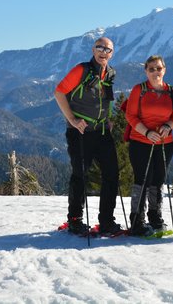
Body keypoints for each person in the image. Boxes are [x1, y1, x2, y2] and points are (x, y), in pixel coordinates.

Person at [54, 37, 121, 235]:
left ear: (112, 53)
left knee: (112, 175)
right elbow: (59, 93)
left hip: (102, 132)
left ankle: (106, 221)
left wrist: (108, 119)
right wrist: (72, 120)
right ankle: (75, 220)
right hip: (80, 133)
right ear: (93, 50)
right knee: (80, 176)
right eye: (100, 48)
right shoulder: (81, 70)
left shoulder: (110, 73)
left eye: (108, 49)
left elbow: (105, 100)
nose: (103, 52)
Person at [125, 55, 173, 235]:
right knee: (142, 180)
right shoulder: (138, 90)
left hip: (165, 143)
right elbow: (130, 116)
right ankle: (137, 220)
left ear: (164, 70)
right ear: (146, 71)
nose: (155, 72)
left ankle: (155, 217)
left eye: (158, 68)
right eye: (151, 69)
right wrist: (147, 132)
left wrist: (168, 126)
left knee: (158, 181)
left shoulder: (172, 92)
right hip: (141, 142)